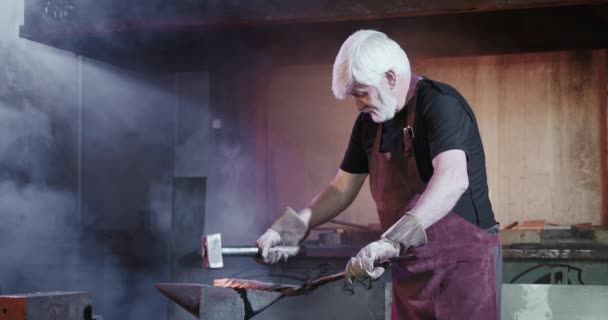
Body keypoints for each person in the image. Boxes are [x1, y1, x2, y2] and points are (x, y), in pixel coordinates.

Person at [256, 29, 501, 319]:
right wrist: (289, 230)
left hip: (462, 269)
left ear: (390, 77)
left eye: (362, 93)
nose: (358, 104)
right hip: (410, 269)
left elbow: (452, 179)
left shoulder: (440, 103)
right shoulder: (369, 123)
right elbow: (341, 188)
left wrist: (391, 241)